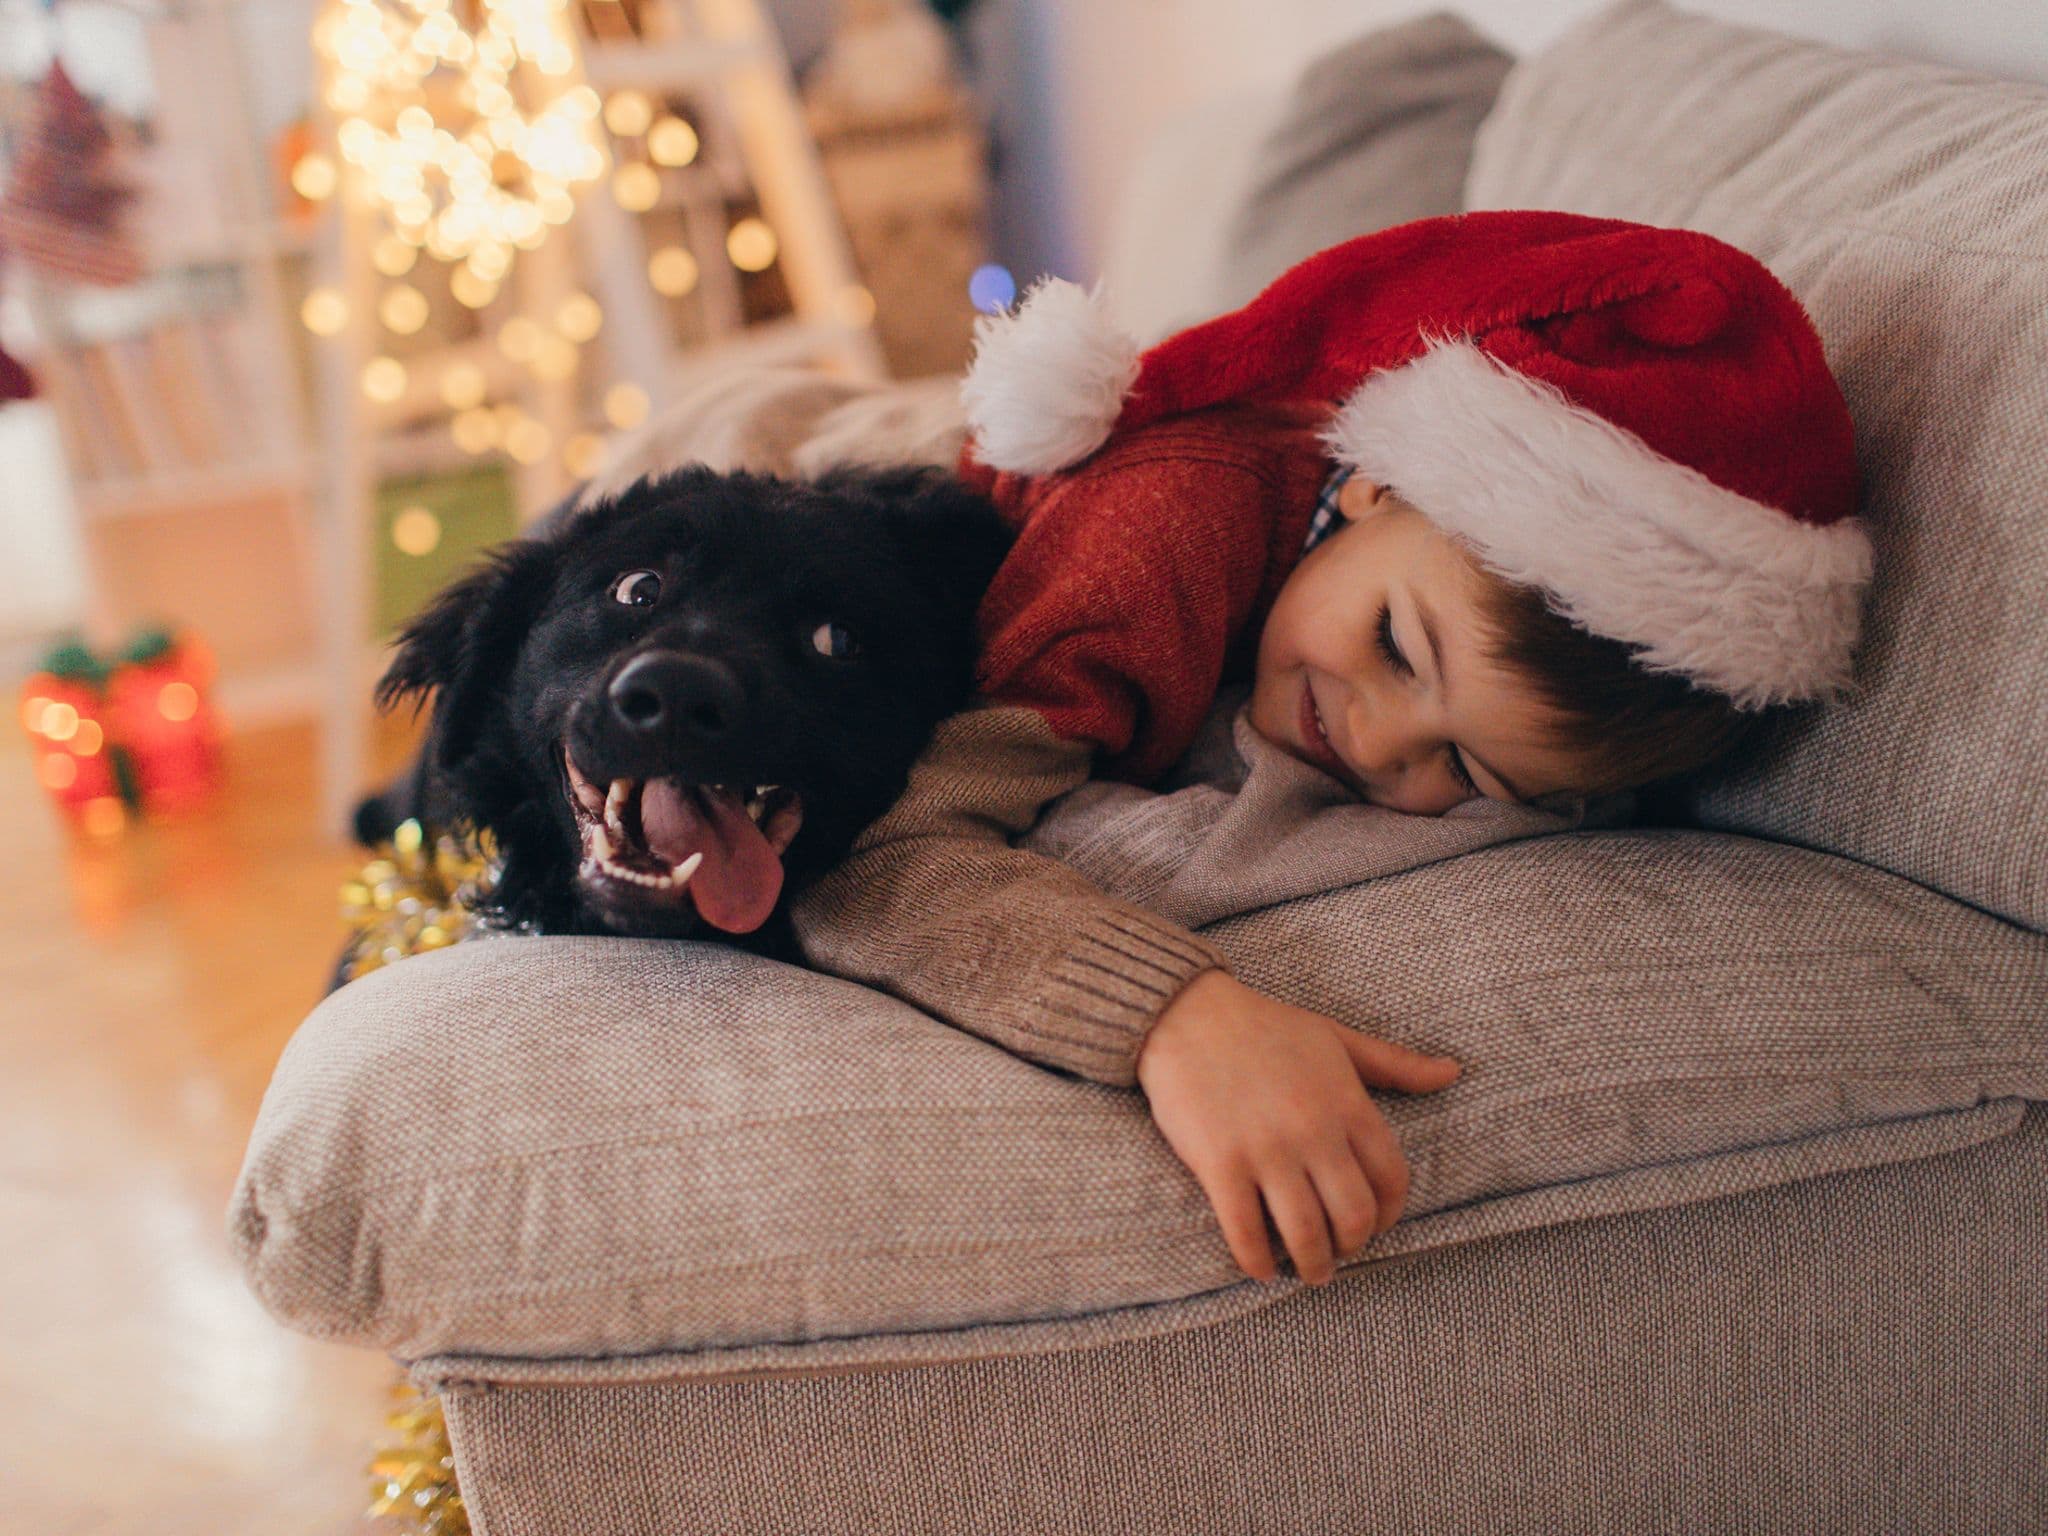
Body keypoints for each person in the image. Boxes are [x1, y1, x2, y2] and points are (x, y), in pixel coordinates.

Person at [785, 209, 1873, 1291]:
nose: (1376, 742)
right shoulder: (1158, 539)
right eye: (1396, 647)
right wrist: (1174, 1016)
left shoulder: (1445, 646)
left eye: (1466, 774)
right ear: (1373, 487)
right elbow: (881, 854)